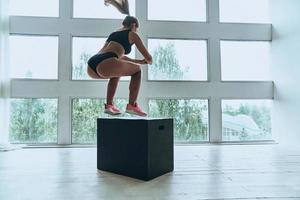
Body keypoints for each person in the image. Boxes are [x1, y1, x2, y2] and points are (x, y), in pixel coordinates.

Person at [87, 16, 152, 117]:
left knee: (116, 71)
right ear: (133, 25)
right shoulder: (132, 34)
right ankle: (132, 105)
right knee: (137, 71)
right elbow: (148, 57)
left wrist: (139, 61)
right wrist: (149, 60)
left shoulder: (113, 34)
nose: (136, 31)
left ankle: (109, 105)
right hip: (106, 63)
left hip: (92, 65)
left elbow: (121, 58)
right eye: (136, 28)